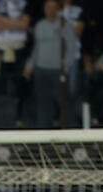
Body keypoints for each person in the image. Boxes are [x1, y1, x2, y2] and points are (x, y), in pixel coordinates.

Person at [26, 0, 77, 129]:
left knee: (64, 104)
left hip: (58, 70)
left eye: (53, 7)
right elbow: (36, 47)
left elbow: (71, 48)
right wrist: (30, 65)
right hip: (40, 70)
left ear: (58, 9)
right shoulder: (39, 25)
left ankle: (72, 134)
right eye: (48, 7)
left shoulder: (65, 25)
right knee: (43, 104)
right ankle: (44, 135)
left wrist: (65, 67)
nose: (50, 10)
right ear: (44, 9)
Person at [0, 0, 30, 96]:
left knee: (20, 83)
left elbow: (25, 24)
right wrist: (17, 23)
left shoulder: (24, 3)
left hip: (19, 48)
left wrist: (1, 20)